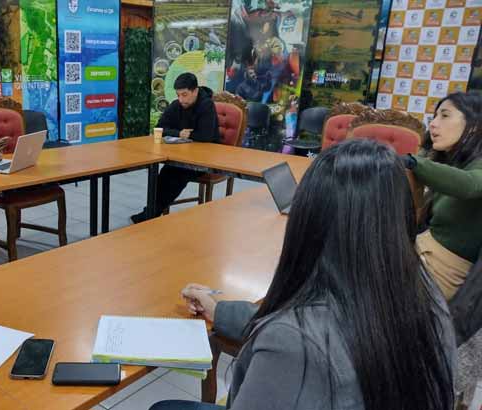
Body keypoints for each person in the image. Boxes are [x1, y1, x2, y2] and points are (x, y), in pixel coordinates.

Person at [153, 139, 455, 410]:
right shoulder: (422, 291)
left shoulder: (294, 345)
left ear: (308, 220)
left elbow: (298, 335)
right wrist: (220, 312)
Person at [401, 92, 482, 300]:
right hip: (420, 249)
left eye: (444, 116)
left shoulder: (475, 166)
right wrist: (425, 150)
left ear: (474, 125)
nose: (434, 124)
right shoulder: (448, 157)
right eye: (434, 117)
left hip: (442, 273)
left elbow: (468, 185)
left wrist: (415, 163)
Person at [131, 73, 220, 223]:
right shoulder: (176, 105)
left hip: (205, 158)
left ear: (195, 91)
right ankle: (150, 212)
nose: (181, 99)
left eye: (185, 95)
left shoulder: (207, 105)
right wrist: (179, 133)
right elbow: (159, 128)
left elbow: (205, 136)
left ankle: (151, 214)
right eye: (178, 95)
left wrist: (186, 135)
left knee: (176, 175)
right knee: (165, 174)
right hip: (182, 155)